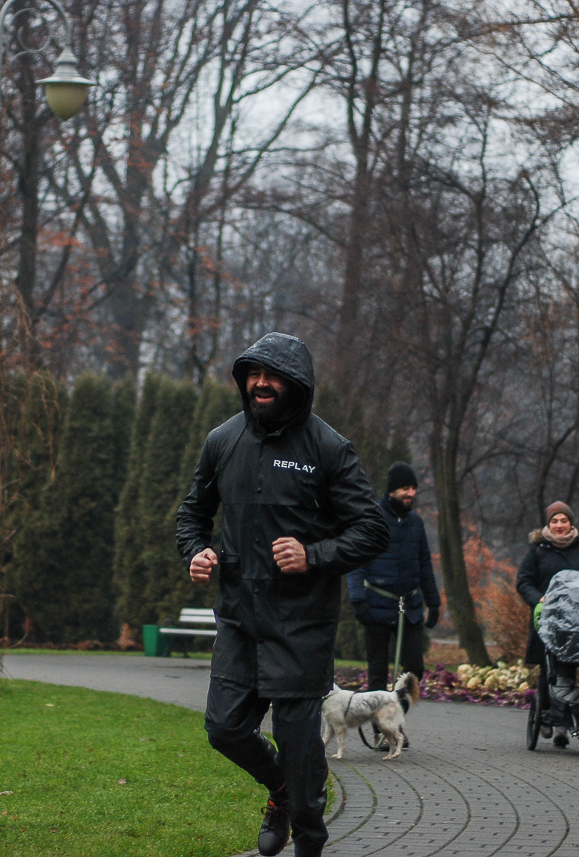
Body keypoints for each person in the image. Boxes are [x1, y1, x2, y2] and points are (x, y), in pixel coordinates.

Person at [176, 332, 390, 857]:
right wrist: (196, 551)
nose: (261, 383)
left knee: (300, 749)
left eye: (272, 376)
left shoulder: (328, 448)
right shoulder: (223, 440)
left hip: (302, 625)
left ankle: (309, 842)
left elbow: (371, 528)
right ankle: (280, 790)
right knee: (223, 729)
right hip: (240, 620)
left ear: (297, 386)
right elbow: (192, 513)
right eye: (253, 374)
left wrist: (313, 555)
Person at [515, 501, 579, 747]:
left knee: (572, 666)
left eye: (563, 520)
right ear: (548, 523)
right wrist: (538, 599)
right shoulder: (538, 550)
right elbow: (524, 582)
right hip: (548, 619)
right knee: (549, 670)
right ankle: (549, 717)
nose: (559, 525)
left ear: (570, 522)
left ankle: (570, 719)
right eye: (554, 521)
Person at [348, 462, 441, 697]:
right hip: (376, 605)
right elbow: (356, 560)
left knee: (415, 669)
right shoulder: (372, 517)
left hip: (409, 607)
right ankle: (380, 730)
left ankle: (395, 715)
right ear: (392, 490)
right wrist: (357, 599)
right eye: (405, 488)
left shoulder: (416, 522)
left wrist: (434, 602)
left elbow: (424, 564)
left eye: (413, 488)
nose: (411, 493)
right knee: (377, 673)